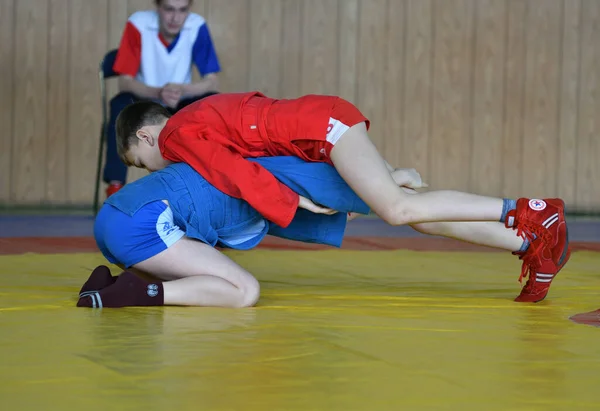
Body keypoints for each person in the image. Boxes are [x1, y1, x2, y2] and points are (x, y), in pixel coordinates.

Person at [112, 92, 571, 302]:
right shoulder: (194, 120)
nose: (148, 171)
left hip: (322, 130)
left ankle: (531, 212)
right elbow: (252, 163)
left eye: (138, 162)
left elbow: (236, 174)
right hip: (316, 136)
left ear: (148, 137)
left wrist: (295, 206)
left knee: (397, 208)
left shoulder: (175, 135)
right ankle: (531, 247)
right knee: (416, 212)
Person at [79, 157, 568, 309]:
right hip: (145, 225)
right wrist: (394, 180)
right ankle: (528, 232)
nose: (149, 164)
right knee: (407, 206)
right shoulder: (220, 156)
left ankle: (528, 233)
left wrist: (392, 182)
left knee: (406, 205)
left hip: (120, 224)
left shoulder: (207, 154)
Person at [102, 0, 220, 198]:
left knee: (213, 105)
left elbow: (211, 82)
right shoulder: (138, 24)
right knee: (119, 105)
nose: (175, 18)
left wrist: (184, 89)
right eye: (169, 10)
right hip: (145, 98)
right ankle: (116, 187)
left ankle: (212, 187)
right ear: (158, 8)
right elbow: (125, 83)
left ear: (189, 9)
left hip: (180, 100)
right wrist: (158, 92)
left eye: (182, 10)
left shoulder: (196, 25)